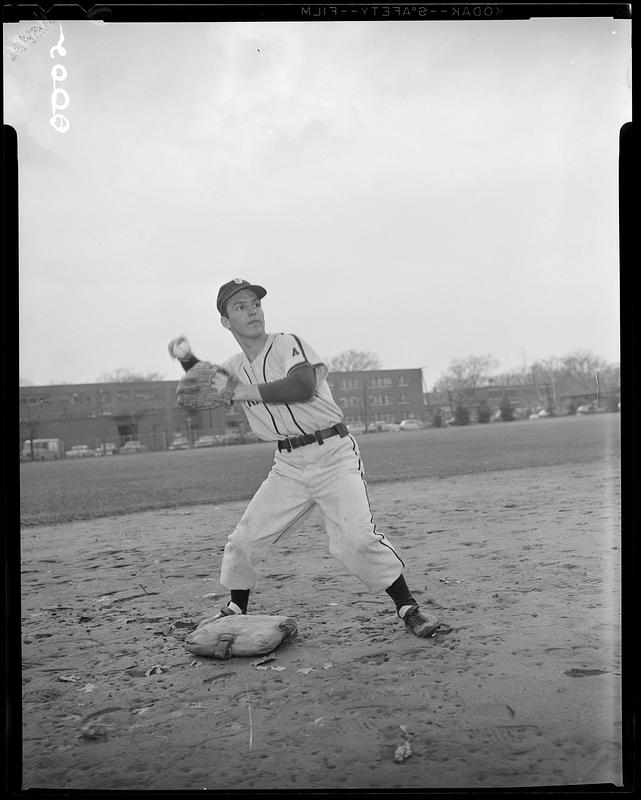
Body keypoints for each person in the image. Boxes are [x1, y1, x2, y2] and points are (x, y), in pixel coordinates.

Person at [173, 278, 442, 638]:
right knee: (245, 539)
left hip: (332, 454)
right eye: (240, 306)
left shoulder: (287, 344)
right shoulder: (233, 367)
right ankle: (235, 607)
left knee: (356, 540)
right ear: (225, 321)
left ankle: (408, 607)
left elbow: (302, 387)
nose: (252, 309)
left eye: (255, 303)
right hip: (287, 465)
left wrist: (241, 392)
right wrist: (187, 359)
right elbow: (208, 381)